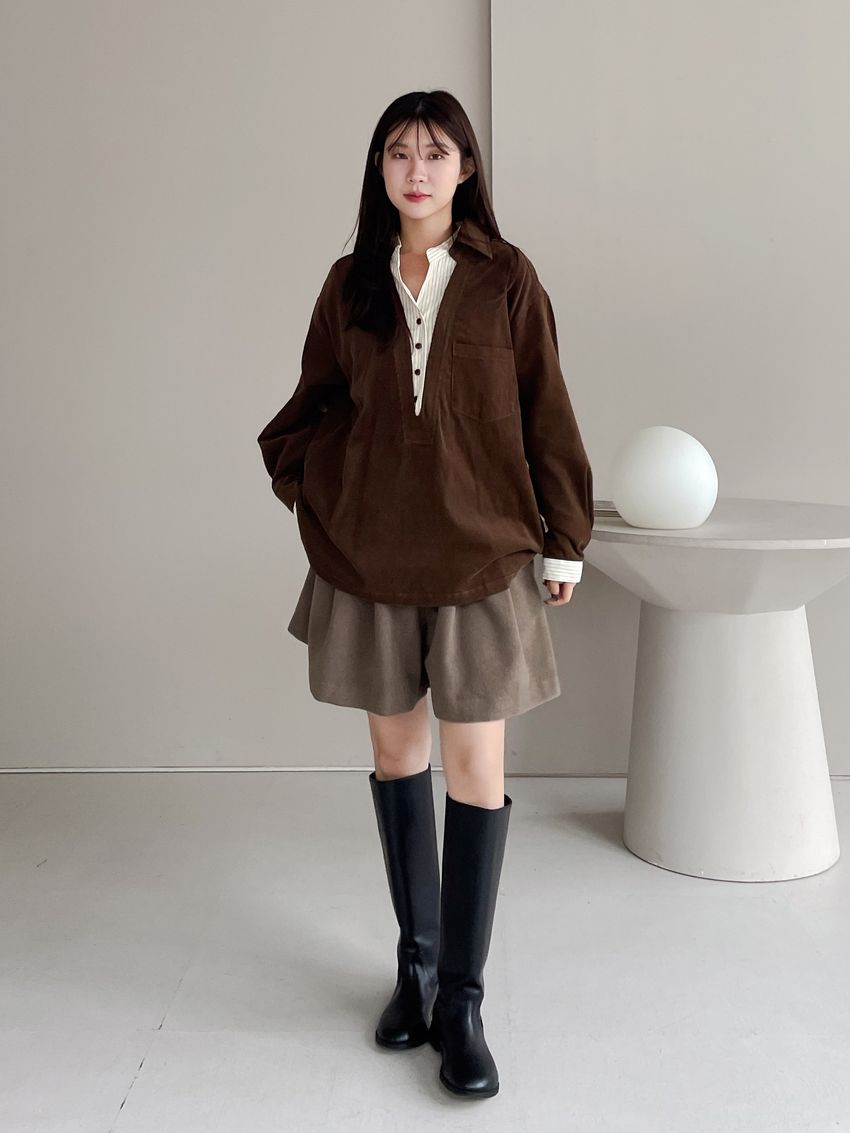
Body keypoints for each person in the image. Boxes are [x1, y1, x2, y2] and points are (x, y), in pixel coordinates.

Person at [257, 89, 594, 1100]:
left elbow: (545, 405)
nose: (416, 169)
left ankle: (462, 999)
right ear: (379, 168)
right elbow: (310, 407)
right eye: (398, 152)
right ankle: (414, 966)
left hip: (482, 554)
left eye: (435, 152)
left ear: (466, 168)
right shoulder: (349, 283)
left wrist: (564, 538)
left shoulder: (505, 278)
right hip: (371, 557)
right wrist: (324, 489)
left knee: (476, 769)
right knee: (396, 757)